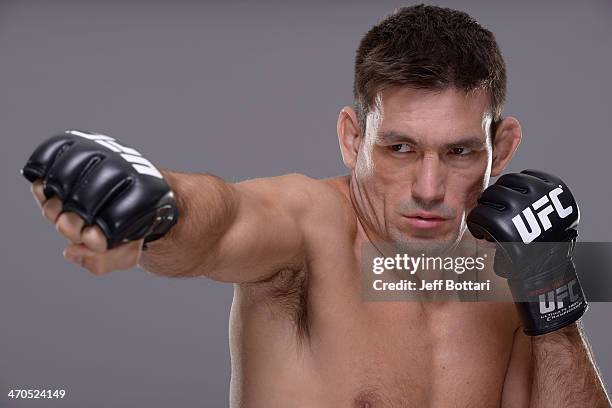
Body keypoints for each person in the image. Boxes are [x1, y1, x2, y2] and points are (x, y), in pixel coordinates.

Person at [22, 5, 610, 407]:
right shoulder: (312, 228)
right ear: (352, 138)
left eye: (458, 152)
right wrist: (157, 207)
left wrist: (552, 298)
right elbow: (225, 218)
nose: (429, 188)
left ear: (501, 147)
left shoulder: (508, 269)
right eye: (399, 148)